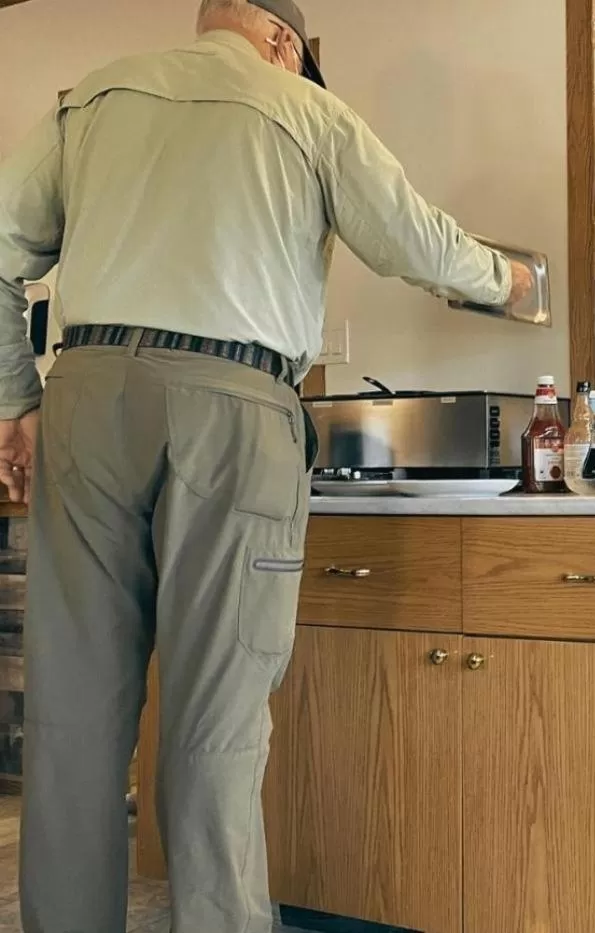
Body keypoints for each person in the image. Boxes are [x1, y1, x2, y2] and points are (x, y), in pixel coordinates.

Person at [0, 1, 533, 929]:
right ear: (284, 41)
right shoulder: (308, 110)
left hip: (85, 395)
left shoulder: (91, 99)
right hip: (233, 407)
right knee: (216, 720)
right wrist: (511, 280)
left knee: (70, 717)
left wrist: (19, 400)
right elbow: (416, 241)